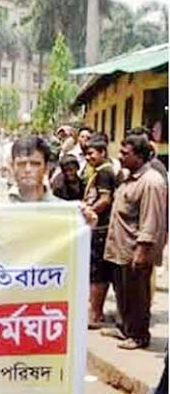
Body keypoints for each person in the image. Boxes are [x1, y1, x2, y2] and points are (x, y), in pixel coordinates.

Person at [101, 133, 168, 350]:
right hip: (121, 247)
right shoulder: (128, 177)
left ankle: (139, 335)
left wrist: (142, 251)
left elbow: (151, 220)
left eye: (125, 153)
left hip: (135, 249)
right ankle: (125, 328)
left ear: (139, 157)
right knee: (123, 292)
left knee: (137, 295)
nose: (120, 157)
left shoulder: (151, 182)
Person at [81, 138, 117, 328]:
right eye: (86, 154)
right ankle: (96, 311)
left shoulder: (104, 173)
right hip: (100, 227)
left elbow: (105, 199)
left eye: (92, 153)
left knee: (98, 273)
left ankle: (96, 314)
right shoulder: (102, 170)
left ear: (102, 152)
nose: (88, 157)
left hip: (101, 228)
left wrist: (88, 212)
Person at [6, 136, 59, 203]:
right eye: (21, 164)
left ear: (46, 168)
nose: (28, 170)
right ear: (12, 167)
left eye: (35, 164)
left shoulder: (63, 209)